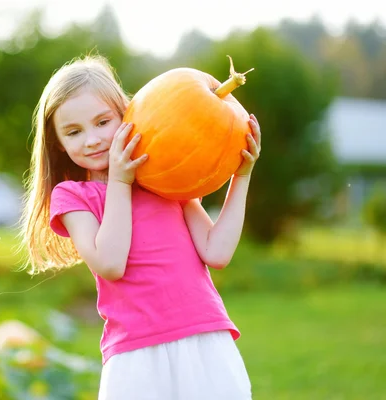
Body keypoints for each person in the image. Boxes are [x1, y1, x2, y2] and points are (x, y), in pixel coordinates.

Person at [20, 54, 261, 399]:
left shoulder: (163, 179)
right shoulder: (73, 197)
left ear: (127, 113)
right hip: (136, 353)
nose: (92, 139)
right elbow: (111, 263)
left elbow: (217, 251)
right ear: (58, 142)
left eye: (103, 122)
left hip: (204, 338)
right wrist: (119, 182)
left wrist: (242, 175)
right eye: (74, 132)